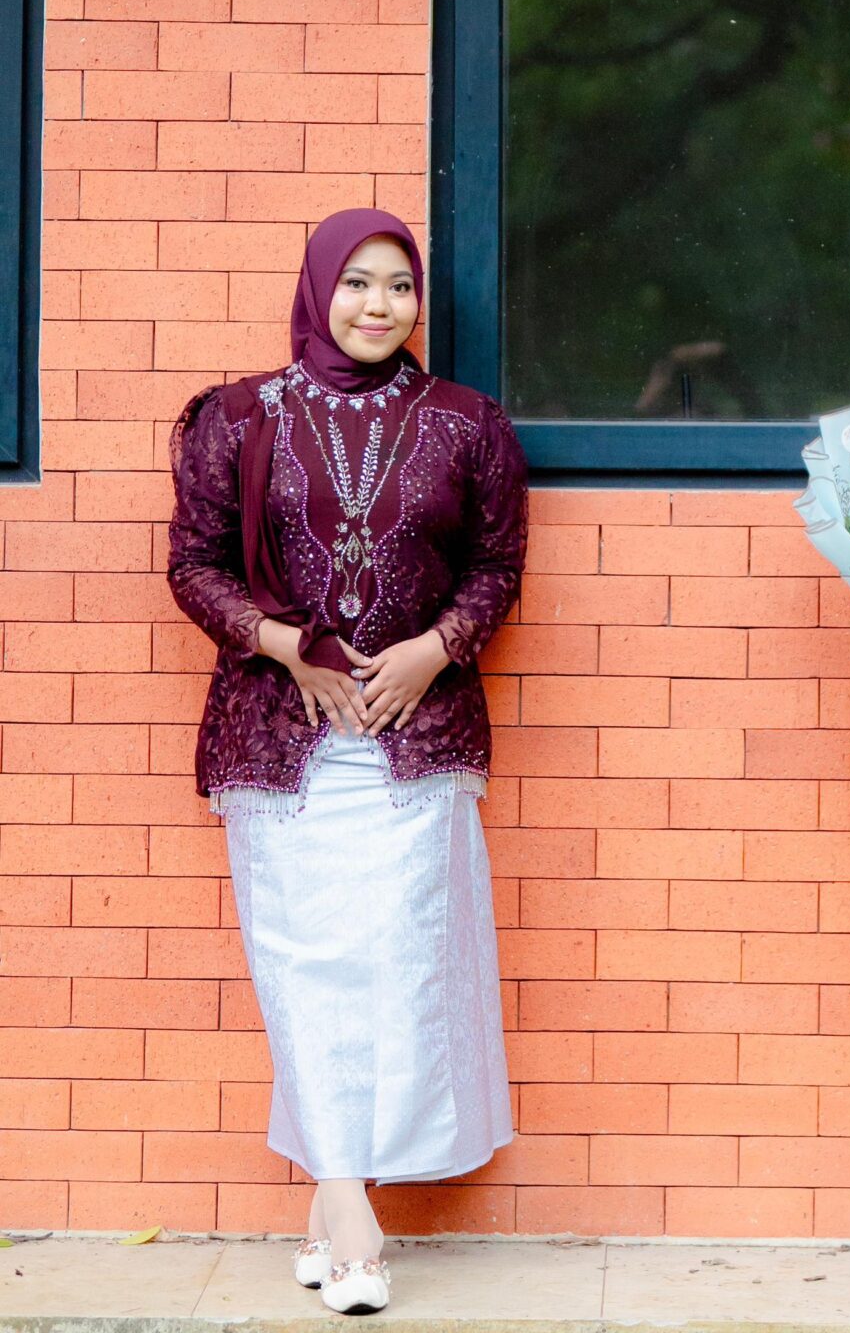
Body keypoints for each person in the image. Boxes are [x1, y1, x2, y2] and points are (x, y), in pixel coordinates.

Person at [168, 208, 528, 1315]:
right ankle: (350, 1210)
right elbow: (193, 566)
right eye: (358, 282)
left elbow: (498, 566)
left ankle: (334, 1208)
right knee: (305, 966)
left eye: (399, 285)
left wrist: (434, 649)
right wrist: (287, 647)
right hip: (280, 741)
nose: (380, 305)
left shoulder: (467, 424)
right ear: (318, 286)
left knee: (398, 969)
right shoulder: (236, 418)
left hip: (414, 741)